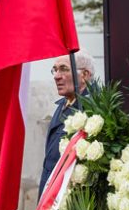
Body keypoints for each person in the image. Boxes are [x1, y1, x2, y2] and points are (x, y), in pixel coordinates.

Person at [39, 51, 93, 195]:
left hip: (67, 200)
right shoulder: (63, 103)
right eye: (55, 70)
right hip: (49, 192)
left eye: (64, 69)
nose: (56, 76)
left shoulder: (91, 112)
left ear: (85, 75)